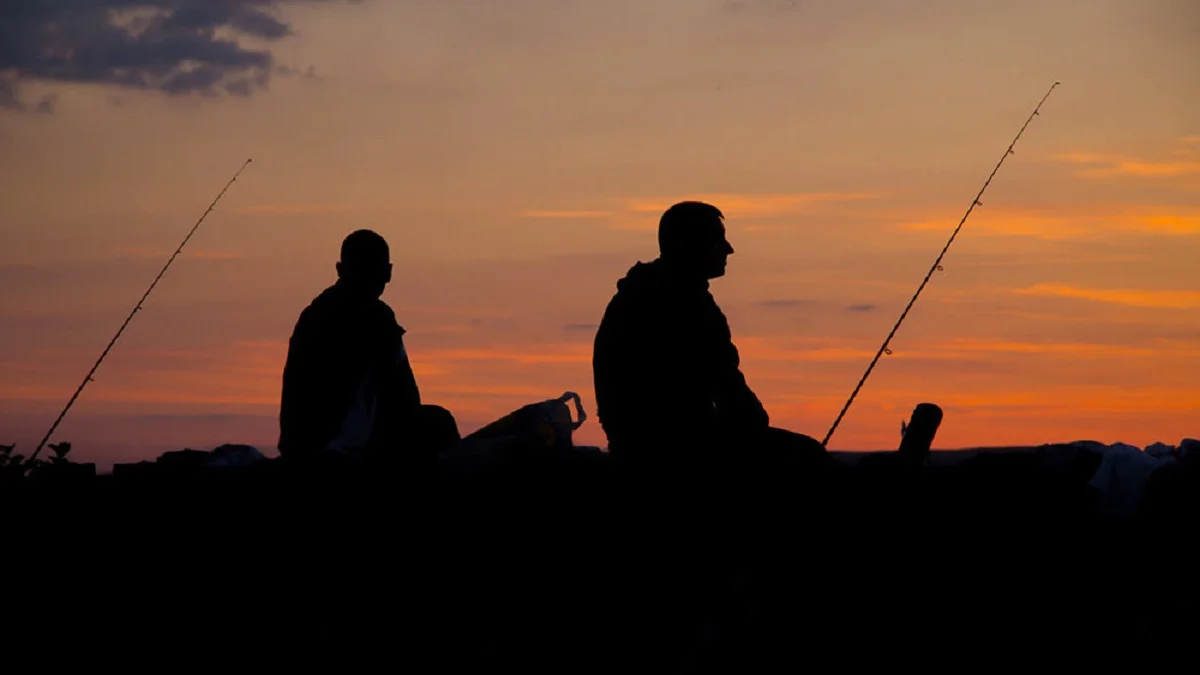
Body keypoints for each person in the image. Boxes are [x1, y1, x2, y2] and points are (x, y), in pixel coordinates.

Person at [592, 201, 827, 471]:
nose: (729, 249)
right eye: (719, 240)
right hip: (677, 446)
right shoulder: (686, 305)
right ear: (693, 245)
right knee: (810, 457)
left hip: (636, 444)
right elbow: (725, 384)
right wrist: (754, 424)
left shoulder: (635, 296)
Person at [277, 229, 459, 468]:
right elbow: (403, 394)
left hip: (310, 444)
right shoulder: (373, 317)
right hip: (337, 446)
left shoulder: (316, 313)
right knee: (438, 423)